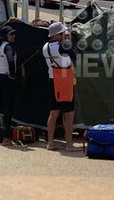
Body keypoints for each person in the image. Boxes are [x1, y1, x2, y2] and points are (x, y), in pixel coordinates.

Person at [42, 22, 77, 151]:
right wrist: (69, 41)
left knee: (54, 112)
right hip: (64, 79)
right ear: (57, 35)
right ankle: (69, 144)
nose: (64, 35)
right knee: (69, 113)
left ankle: (50, 143)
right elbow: (75, 56)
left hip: (52, 79)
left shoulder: (45, 47)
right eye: (62, 33)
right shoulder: (63, 45)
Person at [0, 25, 17, 145]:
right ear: (5, 36)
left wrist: (7, 22)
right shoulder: (8, 47)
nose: (14, 36)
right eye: (11, 34)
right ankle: (6, 138)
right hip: (6, 78)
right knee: (7, 108)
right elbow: (11, 60)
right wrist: (12, 74)